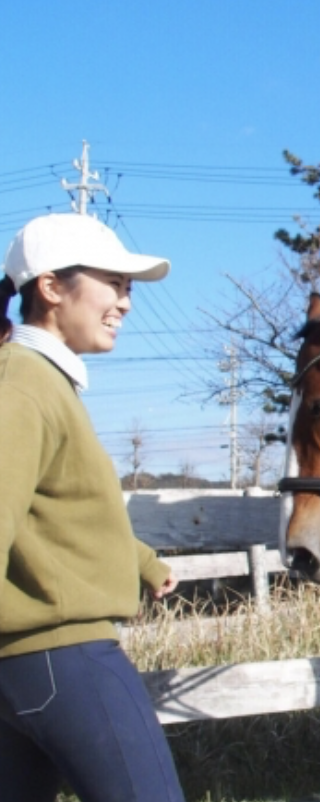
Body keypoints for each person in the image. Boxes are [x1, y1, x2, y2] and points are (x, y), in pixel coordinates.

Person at [0, 213, 186, 801]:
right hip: (66, 658)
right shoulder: (24, 384)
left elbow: (51, 510)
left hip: (24, 666)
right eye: (113, 283)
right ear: (51, 287)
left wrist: (139, 560)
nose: (125, 302)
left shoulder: (39, 381)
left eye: (128, 287)